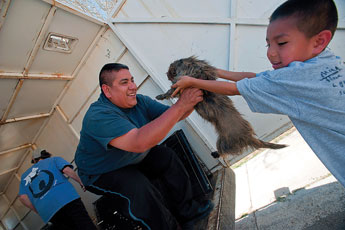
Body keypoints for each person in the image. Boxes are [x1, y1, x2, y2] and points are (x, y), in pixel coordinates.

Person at [171, 0, 345, 188]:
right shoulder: (326, 61)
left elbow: (234, 89)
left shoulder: (292, 77)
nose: (270, 53)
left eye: (281, 43)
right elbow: (252, 78)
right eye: (268, 44)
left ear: (319, 41)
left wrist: (192, 82)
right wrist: (215, 71)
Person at [75, 63, 213, 230]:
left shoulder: (140, 102)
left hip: (128, 156)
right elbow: (139, 142)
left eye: (132, 80)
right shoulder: (98, 116)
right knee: (136, 186)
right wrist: (181, 105)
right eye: (124, 82)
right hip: (101, 171)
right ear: (107, 90)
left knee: (166, 156)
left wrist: (194, 97)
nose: (133, 86)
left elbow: (175, 116)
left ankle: (188, 211)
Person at [18, 148, 96, 230]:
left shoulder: (24, 177)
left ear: (34, 159)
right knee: (85, 225)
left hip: (48, 211)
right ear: (47, 154)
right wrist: (80, 182)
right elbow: (66, 170)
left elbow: (23, 197)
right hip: (67, 199)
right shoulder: (53, 160)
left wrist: (39, 211)